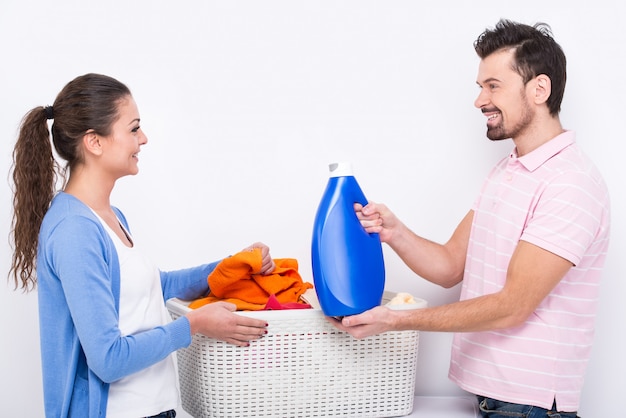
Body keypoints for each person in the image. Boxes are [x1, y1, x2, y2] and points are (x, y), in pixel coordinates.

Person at [329, 19, 610, 417]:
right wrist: (395, 232)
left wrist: (395, 321)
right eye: (480, 87)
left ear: (539, 89)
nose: (479, 100)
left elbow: (513, 305)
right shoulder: (507, 172)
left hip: (529, 405)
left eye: (493, 85)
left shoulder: (571, 183)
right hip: (490, 397)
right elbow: (449, 267)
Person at [8, 73, 276, 418]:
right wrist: (194, 326)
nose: (143, 139)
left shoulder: (109, 216)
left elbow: (151, 288)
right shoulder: (74, 230)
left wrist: (233, 265)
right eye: (134, 128)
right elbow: (108, 359)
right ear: (95, 142)